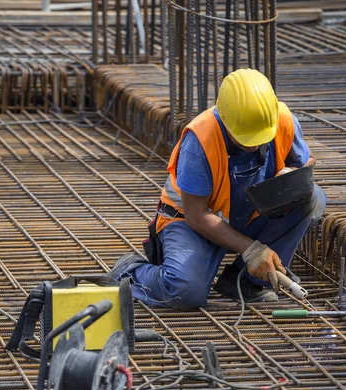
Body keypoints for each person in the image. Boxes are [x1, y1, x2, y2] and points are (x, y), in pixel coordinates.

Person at [110, 68, 327, 309]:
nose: (255, 146)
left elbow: (307, 159)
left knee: (312, 196)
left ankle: (243, 281)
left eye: (260, 139)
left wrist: (293, 174)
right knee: (184, 291)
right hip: (191, 222)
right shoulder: (201, 139)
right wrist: (251, 249)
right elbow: (196, 215)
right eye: (246, 140)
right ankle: (132, 272)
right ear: (226, 120)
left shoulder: (280, 119)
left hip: (248, 214)